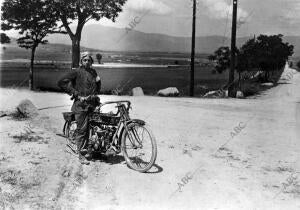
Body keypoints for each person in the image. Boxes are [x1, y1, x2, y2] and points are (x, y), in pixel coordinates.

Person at [58, 52, 101, 164]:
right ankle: (80, 155)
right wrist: (76, 94)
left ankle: (90, 150)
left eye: (89, 60)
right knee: (82, 130)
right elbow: (61, 82)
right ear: (81, 61)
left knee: (92, 127)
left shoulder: (93, 72)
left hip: (92, 104)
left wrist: (97, 88)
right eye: (85, 60)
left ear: (92, 61)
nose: (87, 62)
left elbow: (97, 85)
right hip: (80, 105)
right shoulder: (76, 72)